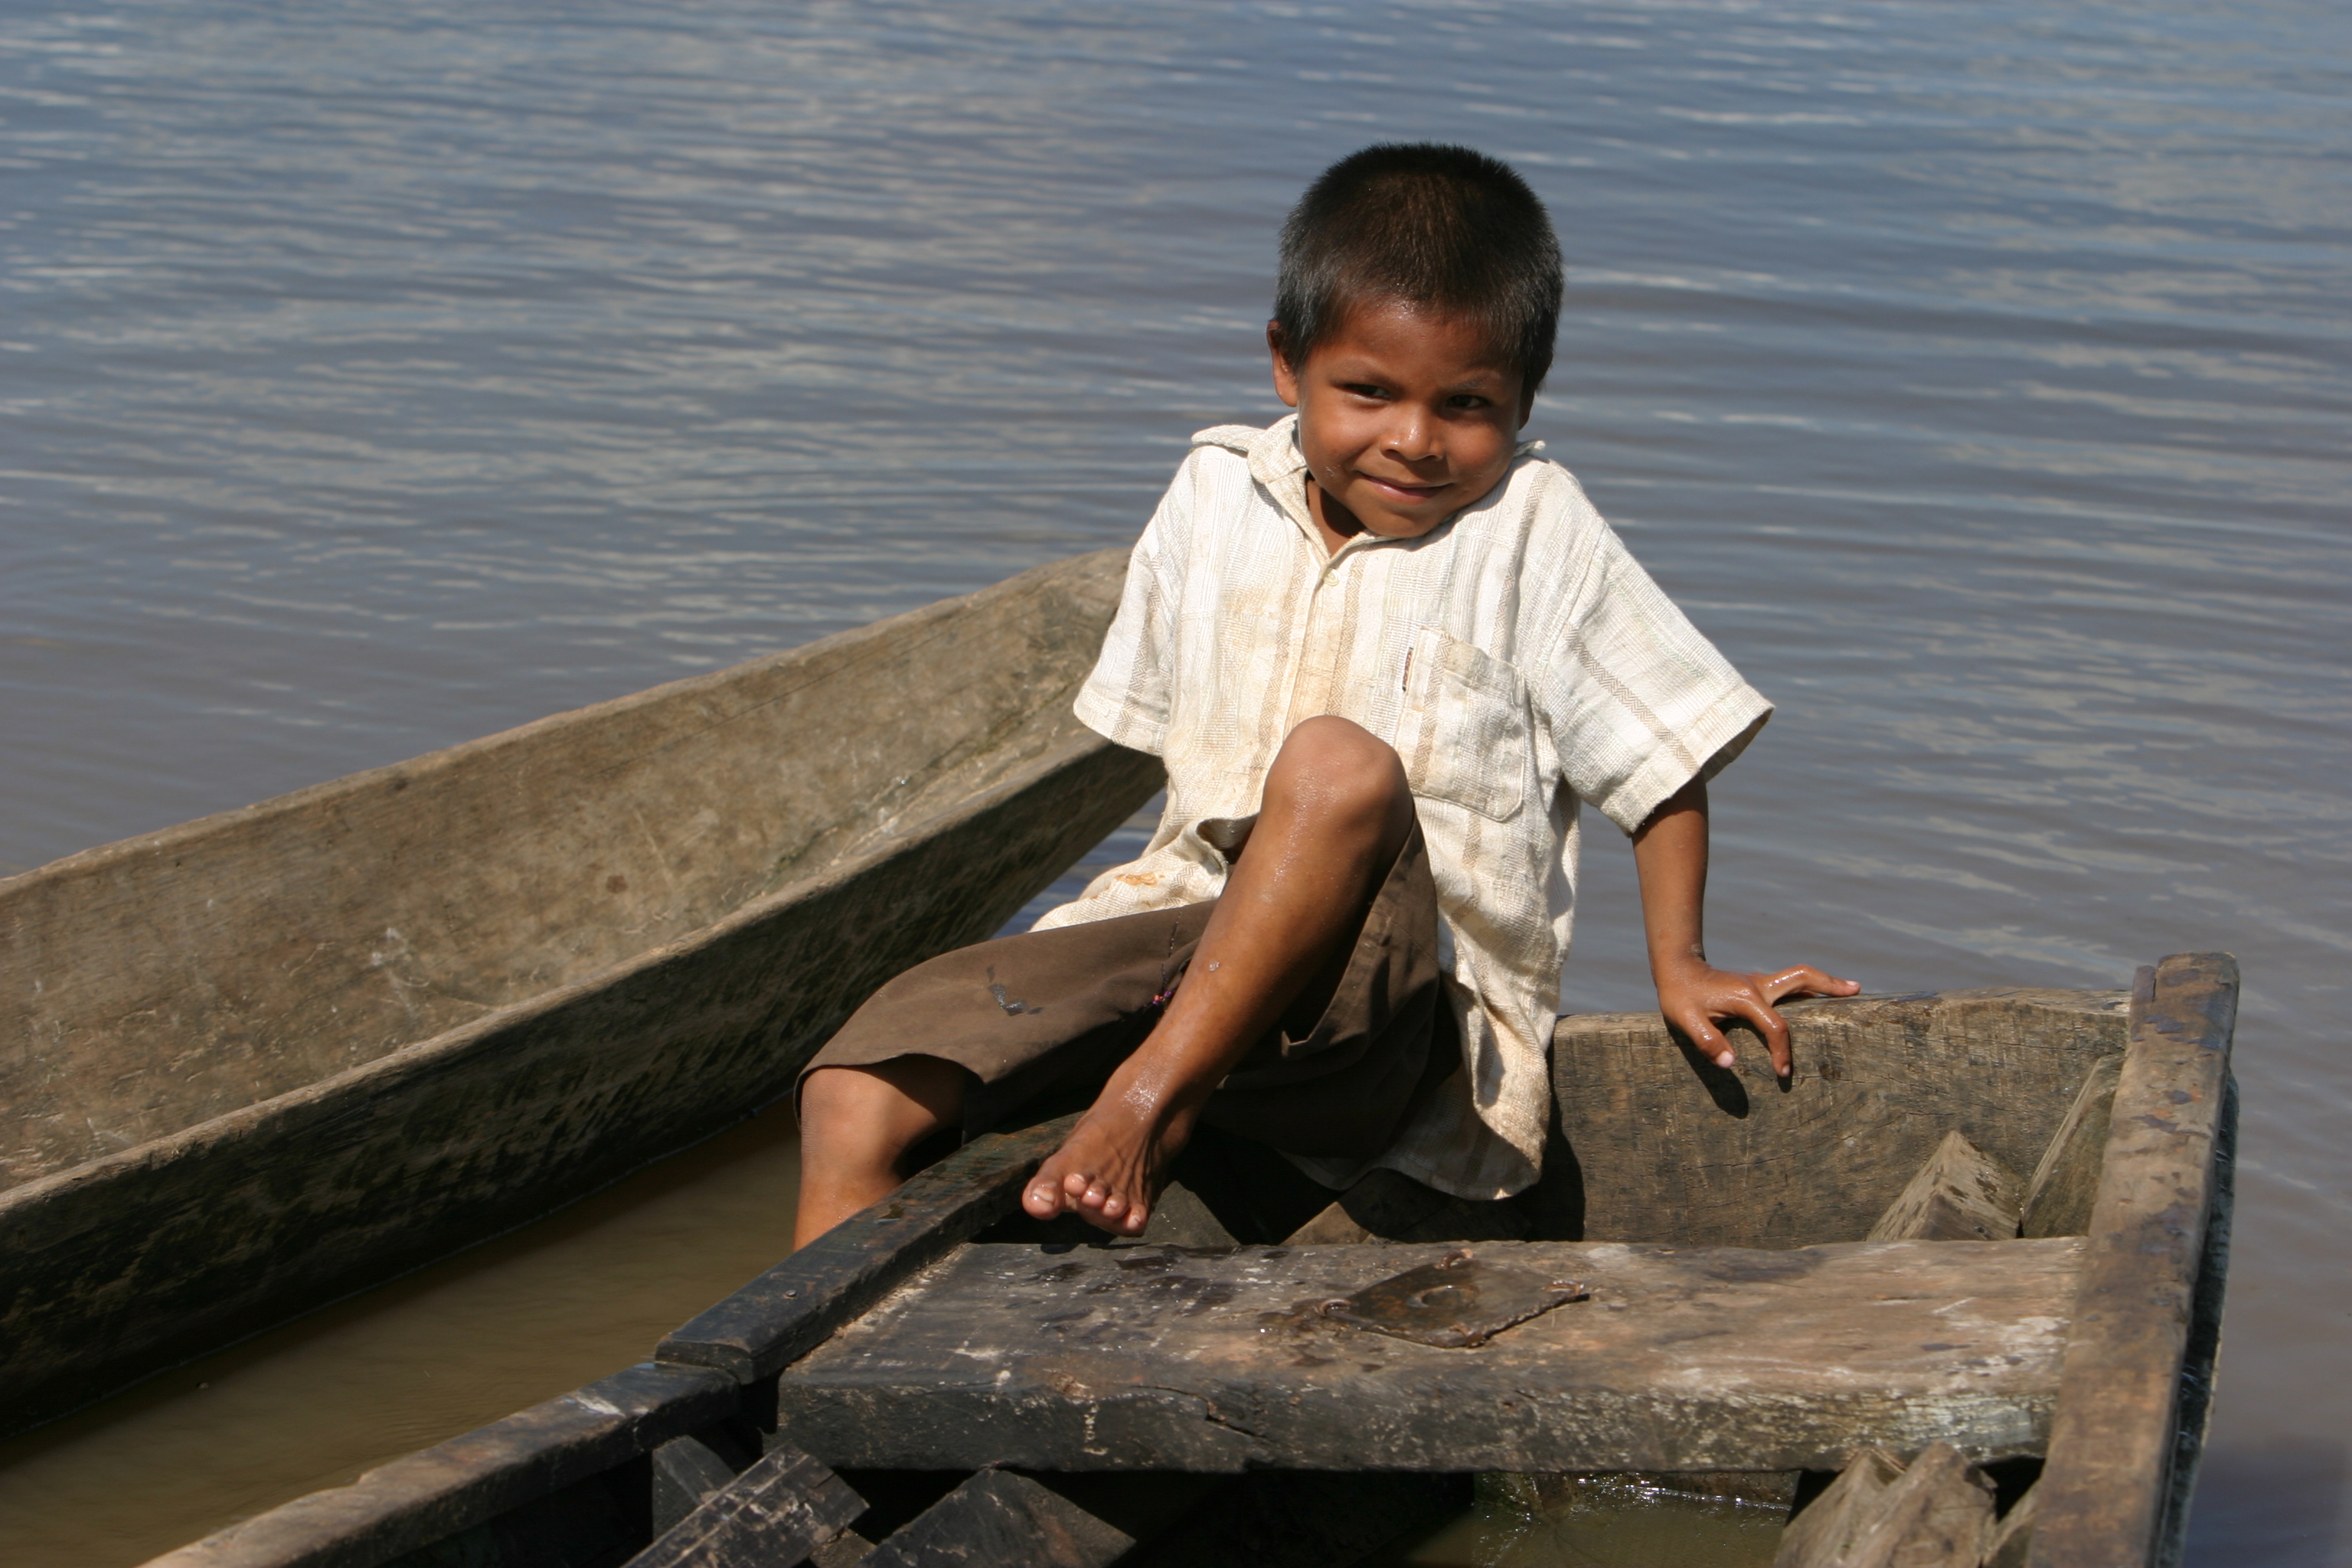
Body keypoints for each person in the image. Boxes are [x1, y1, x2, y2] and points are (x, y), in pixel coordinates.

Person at [791, 142, 1855, 1250]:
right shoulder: (1213, 494)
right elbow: (1168, 761)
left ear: (1525, 401)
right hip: (1198, 952)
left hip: (1396, 1015)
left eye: (1468, 405)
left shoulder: (1538, 532)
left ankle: (1148, 1105)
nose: (1415, 440)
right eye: (1369, 392)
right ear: (1285, 365)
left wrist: (1677, 963)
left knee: (1334, 765)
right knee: (855, 1093)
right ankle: (802, 1402)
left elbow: (1661, 757)